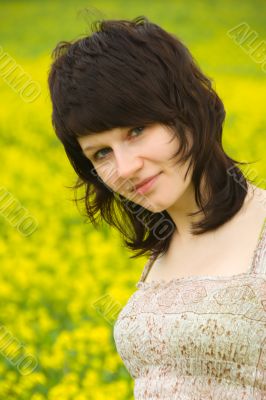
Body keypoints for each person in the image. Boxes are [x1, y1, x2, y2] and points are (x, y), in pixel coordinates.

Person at [48, 16, 266, 400]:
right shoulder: (160, 253)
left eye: (136, 130)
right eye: (102, 153)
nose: (126, 167)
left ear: (187, 108)